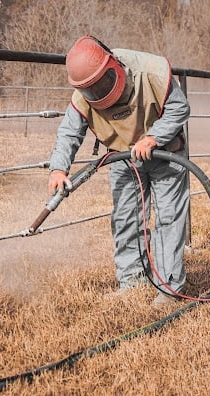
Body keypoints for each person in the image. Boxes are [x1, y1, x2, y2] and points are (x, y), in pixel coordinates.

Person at [47, 35, 190, 308]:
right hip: (123, 158)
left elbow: (179, 108)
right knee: (126, 219)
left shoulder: (152, 72)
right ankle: (132, 281)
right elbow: (68, 133)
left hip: (165, 153)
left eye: (103, 83)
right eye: (91, 90)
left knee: (168, 219)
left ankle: (170, 289)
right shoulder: (82, 97)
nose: (99, 93)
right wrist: (58, 169)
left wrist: (153, 138)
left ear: (113, 65)